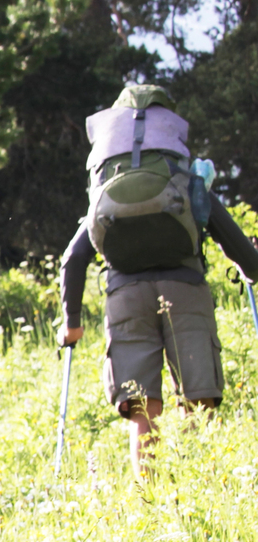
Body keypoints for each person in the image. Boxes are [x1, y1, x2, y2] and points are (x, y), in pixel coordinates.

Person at [60, 83, 258, 475]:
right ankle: (203, 486)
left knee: (141, 408)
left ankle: (148, 493)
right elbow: (235, 244)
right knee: (198, 399)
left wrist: (72, 324)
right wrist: (251, 269)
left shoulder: (104, 189)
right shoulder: (186, 180)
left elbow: (73, 258)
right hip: (184, 290)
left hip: (125, 294)